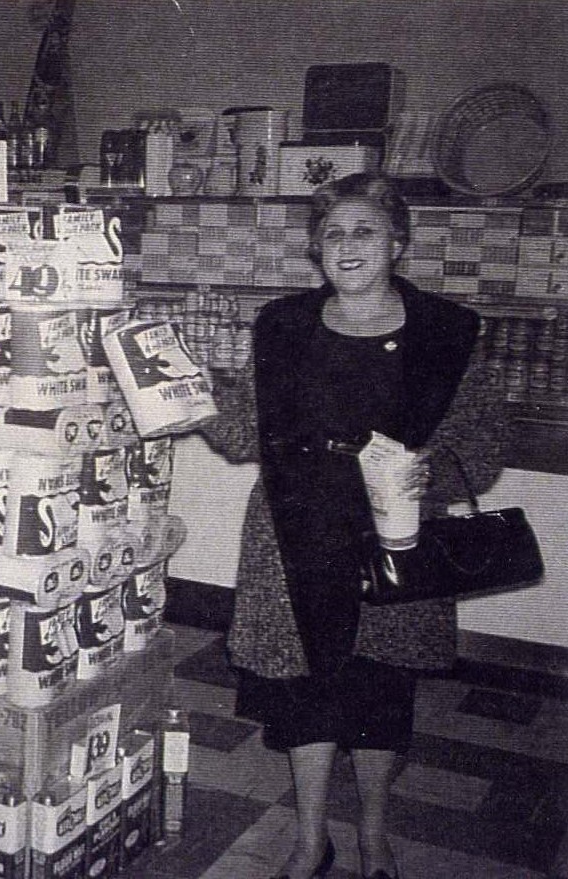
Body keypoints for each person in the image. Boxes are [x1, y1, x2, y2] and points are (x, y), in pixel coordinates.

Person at [200, 172, 510, 879]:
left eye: (364, 230)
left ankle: (373, 834)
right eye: (332, 233)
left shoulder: (446, 332)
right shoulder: (282, 326)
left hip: (396, 530)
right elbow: (247, 429)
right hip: (292, 528)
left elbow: (486, 432)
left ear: (397, 242)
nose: (347, 245)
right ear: (315, 247)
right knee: (305, 688)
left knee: (379, 687)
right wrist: (190, 397)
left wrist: (439, 464)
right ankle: (312, 839)